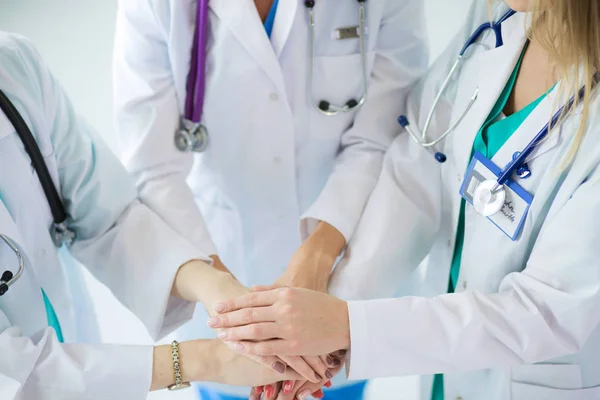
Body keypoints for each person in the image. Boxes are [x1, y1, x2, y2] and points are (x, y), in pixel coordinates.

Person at [208, 0, 600, 399]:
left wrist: (348, 326)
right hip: (446, 377)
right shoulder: (499, 16)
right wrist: (334, 310)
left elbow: (546, 314)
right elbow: (420, 161)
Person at [112, 0, 428, 399]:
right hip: (220, 254)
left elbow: (382, 135)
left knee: (334, 383)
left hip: (348, 261)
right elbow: (153, 167)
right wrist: (231, 304)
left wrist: (316, 259)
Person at [0, 32, 328, 399]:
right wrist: (210, 359)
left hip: (77, 346)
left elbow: (110, 218)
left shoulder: (13, 67)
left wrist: (222, 293)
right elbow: (13, 377)